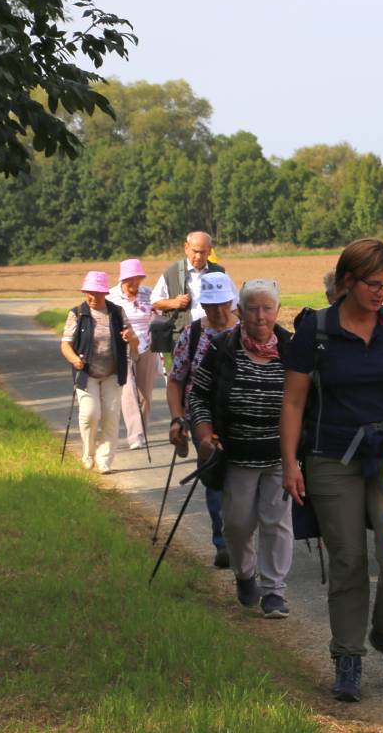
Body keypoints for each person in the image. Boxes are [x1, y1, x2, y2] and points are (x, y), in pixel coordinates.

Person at [281, 238, 383, 703]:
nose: (382, 292)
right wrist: (289, 464)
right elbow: (295, 401)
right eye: (373, 284)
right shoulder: (315, 330)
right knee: (348, 561)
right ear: (347, 282)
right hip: (330, 458)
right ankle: (347, 656)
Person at [187, 279, 295, 619]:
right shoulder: (222, 348)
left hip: (279, 454)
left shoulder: (293, 349)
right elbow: (198, 396)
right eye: (252, 308)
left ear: (277, 311)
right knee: (235, 523)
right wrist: (204, 434)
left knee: (276, 522)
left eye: (267, 308)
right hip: (237, 455)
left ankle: (275, 591)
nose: (260, 316)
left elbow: (308, 398)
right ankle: (245, 573)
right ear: (240, 311)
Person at [166, 272, 239, 569]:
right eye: (211, 305)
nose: (218, 312)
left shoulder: (250, 330)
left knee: (245, 480)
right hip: (203, 415)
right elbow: (176, 381)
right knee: (214, 472)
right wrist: (176, 418)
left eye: (223, 304)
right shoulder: (193, 334)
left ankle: (242, 539)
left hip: (244, 415)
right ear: (202, 305)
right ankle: (223, 543)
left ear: (232, 300)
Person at [59, 270, 138, 473]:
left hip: (113, 372)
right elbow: (65, 345)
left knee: (111, 417)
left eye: (98, 293)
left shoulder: (117, 312)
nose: (93, 298)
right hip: (86, 374)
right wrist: (74, 359)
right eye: (89, 293)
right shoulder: (77, 313)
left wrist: (131, 337)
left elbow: (134, 341)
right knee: (90, 414)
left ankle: (104, 460)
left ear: (105, 293)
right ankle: (88, 452)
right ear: (85, 292)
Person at [150, 231, 233, 359]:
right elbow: (154, 302)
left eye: (203, 252)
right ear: (186, 248)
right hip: (182, 338)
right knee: (182, 377)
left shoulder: (220, 273)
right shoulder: (172, 272)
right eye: (195, 251)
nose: (198, 256)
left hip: (215, 337)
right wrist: (173, 303)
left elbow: (234, 305)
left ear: (210, 251)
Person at [108, 258, 159, 452]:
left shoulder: (149, 293)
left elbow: (159, 315)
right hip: (123, 349)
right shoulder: (112, 296)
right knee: (128, 392)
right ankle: (135, 435)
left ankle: (142, 431)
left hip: (147, 346)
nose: (135, 284)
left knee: (145, 393)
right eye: (131, 279)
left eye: (138, 279)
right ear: (123, 279)